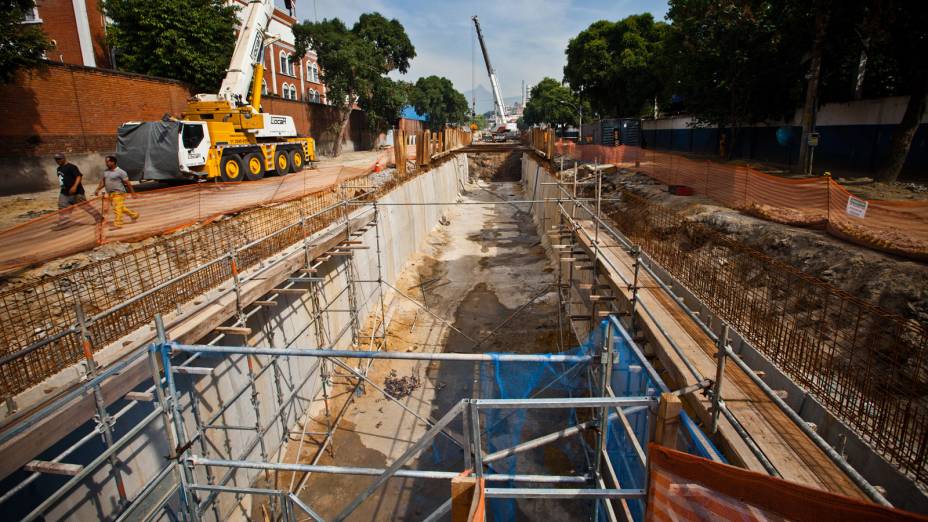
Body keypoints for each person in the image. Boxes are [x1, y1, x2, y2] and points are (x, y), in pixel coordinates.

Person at [54, 153, 101, 229]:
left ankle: (99, 218)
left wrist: (74, 187)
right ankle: (63, 223)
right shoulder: (59, 169)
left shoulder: (71, 167)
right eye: (56, 159)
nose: (57, 161)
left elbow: (78, 176)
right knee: (62, 207)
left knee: (85, 206)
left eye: (59, 159)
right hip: (64, 192)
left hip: (77, 192)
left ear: (64, 158)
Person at [95, 155, 139, 228]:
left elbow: (127, 183)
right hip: (111, 194)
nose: (106, 163)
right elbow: (103, 182)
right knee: (120, 207)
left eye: (108, 162)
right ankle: (134, 215)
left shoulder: (121, 172)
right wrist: (97, 189)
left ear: (113, 162)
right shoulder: (106, 172)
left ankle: (118, 223)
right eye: (106, 162)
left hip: (119, 193)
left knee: (117, 208)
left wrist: (133, 193)